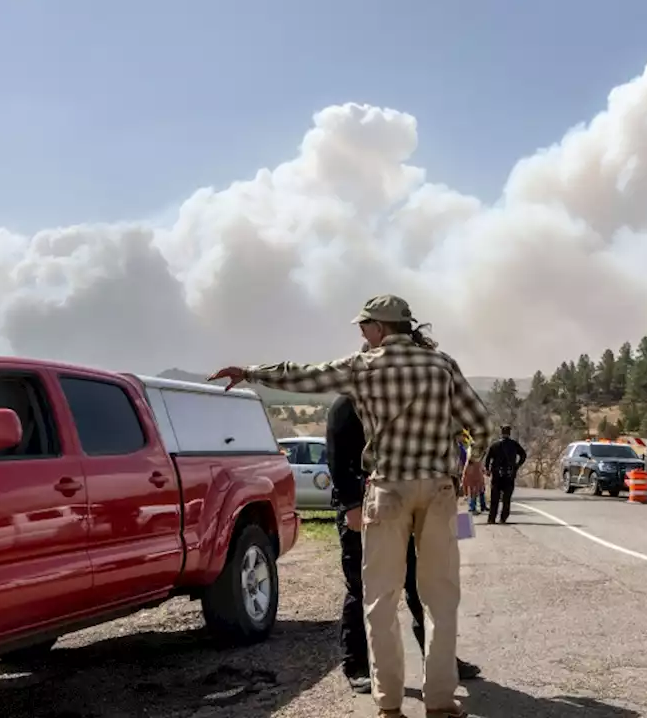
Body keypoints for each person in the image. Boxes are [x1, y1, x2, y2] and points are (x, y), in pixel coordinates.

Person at [210, 294, 492, 718]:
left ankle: (389, 704)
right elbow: (482, 423)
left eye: (364, 326)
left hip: (387, 492)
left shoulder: (362, 367)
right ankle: (439, 702)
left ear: (380, 328)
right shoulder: (442, 365)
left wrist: (250, 372)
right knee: (439, 599)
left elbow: (302, 376)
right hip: (437, 491)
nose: (361, 332)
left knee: (379, 600)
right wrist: (474, 464)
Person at [326, 394, 481, 695]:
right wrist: (351, 505)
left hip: (412, 506)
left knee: (424, 585)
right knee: (365, 588)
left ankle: (440, 660)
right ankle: (358, 665)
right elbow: (337, 459)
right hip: (366, 508)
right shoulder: (348, 404)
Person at [483, 425, 527, 524]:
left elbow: (488, 458)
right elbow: (523, 455)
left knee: (495, 498)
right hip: (509, 474)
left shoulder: (495, 445)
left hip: (497, 474)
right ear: (509, 433)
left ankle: (491, 519)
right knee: (506, 498)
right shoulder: (514, 444)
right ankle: (503, 518)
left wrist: (488, 469)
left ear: (501, 433)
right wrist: (517, 465)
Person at [461, 431, 488, 514]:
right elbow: (470, 461)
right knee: (474, 491)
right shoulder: (471, 451)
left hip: (476, 472)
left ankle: (482, 506)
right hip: (472, 473)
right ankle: (472, 507)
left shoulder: (475, 451)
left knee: (481, 489)